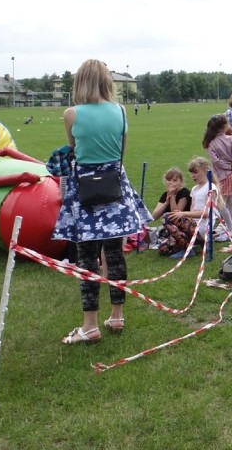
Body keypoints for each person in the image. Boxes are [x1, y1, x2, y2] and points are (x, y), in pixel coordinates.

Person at [53, 59, 153, 345]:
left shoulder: (71, 114)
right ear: (107, 81)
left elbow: (74, 151)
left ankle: (90, 325)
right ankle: (117, 316)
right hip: (114, 189)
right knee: (115, 254)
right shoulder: (120, 111)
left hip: (85, 192)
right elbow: (121, 151)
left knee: (87, 258)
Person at [203, 114, 232, 235]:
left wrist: (231, 166)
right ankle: (230, 226)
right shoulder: (230, 139)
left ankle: (230, 228)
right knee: (230, 202)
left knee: (221, 203)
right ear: (223, 127)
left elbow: (216, 161)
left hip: (222, 176)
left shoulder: (211, 143)